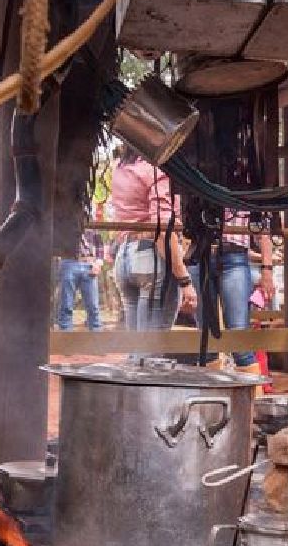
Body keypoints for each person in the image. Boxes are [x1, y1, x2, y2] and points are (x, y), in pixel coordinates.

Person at [109, 147, 194, 331]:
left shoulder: (121, 168)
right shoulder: (156, 170)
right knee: (152, 346)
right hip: (150, 257)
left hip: (124, 256)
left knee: (137, 345)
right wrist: (185, 280)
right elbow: (162, 229)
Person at [184, 209, 274, 377]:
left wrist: (267, 270)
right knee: (206, 338)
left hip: (235, 256)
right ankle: (209, 399)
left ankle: (251, 399)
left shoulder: (247, 185)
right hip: (200, 254)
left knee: (239, 339)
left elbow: (264, 228)